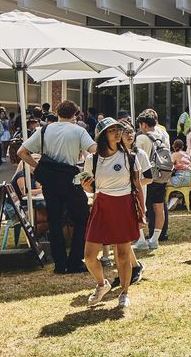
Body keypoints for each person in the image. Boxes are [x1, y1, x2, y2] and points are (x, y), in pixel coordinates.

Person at [16, 100, 96, 274]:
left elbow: (21, 152)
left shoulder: (43, 130)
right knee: (82, 218)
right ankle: (75, 260)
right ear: (75, 115)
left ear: (57, 112)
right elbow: (93, 149)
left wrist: (37, 167)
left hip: (50, 182)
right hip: (70, 180)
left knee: (54, 222)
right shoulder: (79, 131)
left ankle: (60, 264)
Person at [80, 118, 143, 309]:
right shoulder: (92, 159)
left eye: (119, 129)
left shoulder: (130, 157)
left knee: (122, 255)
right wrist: (86, 187)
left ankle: (124, 293)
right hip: (101, 206)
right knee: (89, 256)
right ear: (102, 136)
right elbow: (91, 188)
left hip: (124, 205)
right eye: (112, 130)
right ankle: (102, 284)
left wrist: (142, 211)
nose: (117, 133)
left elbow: (138, 186)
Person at [133, 110, 171, 250]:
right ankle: (155, 239)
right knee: (159, 207)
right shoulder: (164, 134)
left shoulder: (141, 138)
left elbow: (137, 159)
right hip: (162, 175)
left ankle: (142, 240)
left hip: (146, 177)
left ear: (143, 125)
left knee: (141, 208)